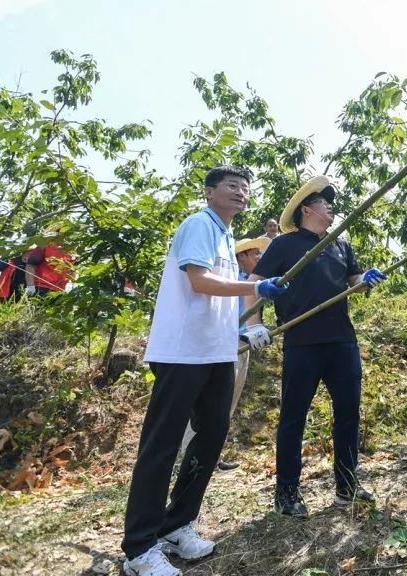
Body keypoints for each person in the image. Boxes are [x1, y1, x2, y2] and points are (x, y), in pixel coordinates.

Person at [120, 166, 287, 576]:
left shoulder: (226, 237)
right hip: (182, 354)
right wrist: (254, 286)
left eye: (246, 188)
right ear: (210, 192)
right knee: (161, 446)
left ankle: (176, 524)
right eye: (232, 186)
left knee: (210, 439)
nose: (241, 193)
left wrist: (248, 326)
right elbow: (200, 282)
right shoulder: (199, 224)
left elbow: (221, 298)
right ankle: (139, 548)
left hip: (216, 353)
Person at [248, 175, 386, 518]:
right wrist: (255, 326)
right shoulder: (284, 245)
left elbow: (353, 282)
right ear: (307, 209)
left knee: (348, 414)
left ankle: (347, 485)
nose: (331, 208)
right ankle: (287, 492)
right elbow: (254, 285)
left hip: (341, 340)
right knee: (293, 418)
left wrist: (365, 279)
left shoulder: (340, 244)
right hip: (301, 343)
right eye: (325, 203)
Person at [178, 235, 271, 472]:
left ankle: (211, 456)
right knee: (208, 405)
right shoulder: (230, 281)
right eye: (254, 254)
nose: (259, 258)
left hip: (242, 345)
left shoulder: (253, 284)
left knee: (228, 404)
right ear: (241, 256)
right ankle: (190, 457)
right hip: (223, 345)